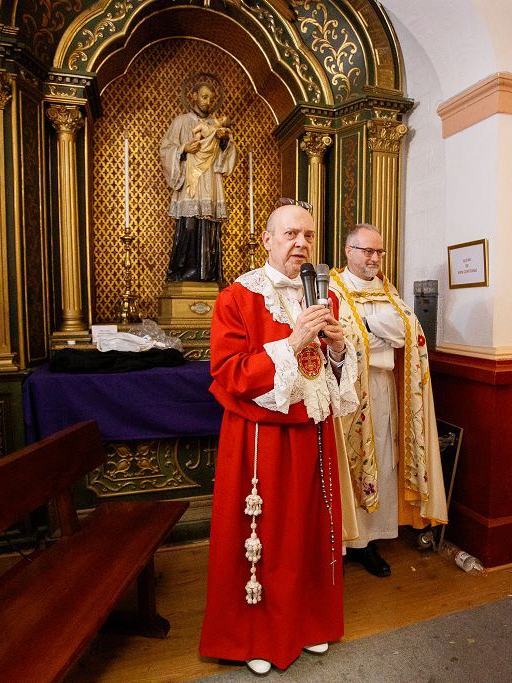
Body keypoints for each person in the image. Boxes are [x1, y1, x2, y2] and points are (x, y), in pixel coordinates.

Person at [198, 204, 359, 675]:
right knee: (264, 538)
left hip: (312, 434)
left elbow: (331, 376)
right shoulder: (237, 297)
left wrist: (337, 348)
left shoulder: (326, 296)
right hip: (260, 440)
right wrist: (292, 343)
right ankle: (255, 635)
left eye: (308, 234)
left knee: (307, 532)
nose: (301, 243)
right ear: (267, 240)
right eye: (291, 234)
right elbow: (229, 373)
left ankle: (308, 622)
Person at [329, 224, 448, 578]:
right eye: (368, 251)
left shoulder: (388, 291)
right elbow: (337, 340)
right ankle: (339, 542)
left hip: (382, 390)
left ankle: (367, 543)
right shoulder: (332, 290)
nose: (375, 258)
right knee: (343, 466)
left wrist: (367, 326)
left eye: (379, 252)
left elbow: (408, 331)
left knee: (381, 461)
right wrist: (375, 331)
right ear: (348, 251)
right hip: (345, 393)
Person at [159, 77, 237, 282]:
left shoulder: (216, 125)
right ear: (193, 96)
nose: (207, 102)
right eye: (203, 97)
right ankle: (183, 274)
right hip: (190, 182)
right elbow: (166, 149)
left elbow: (227, 158)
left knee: (210, 228)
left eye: (211, 98)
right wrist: (183, 148)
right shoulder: (181, 122)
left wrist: (224, 141)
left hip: (210, 182)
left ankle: (209, 274)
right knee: (189, 226)